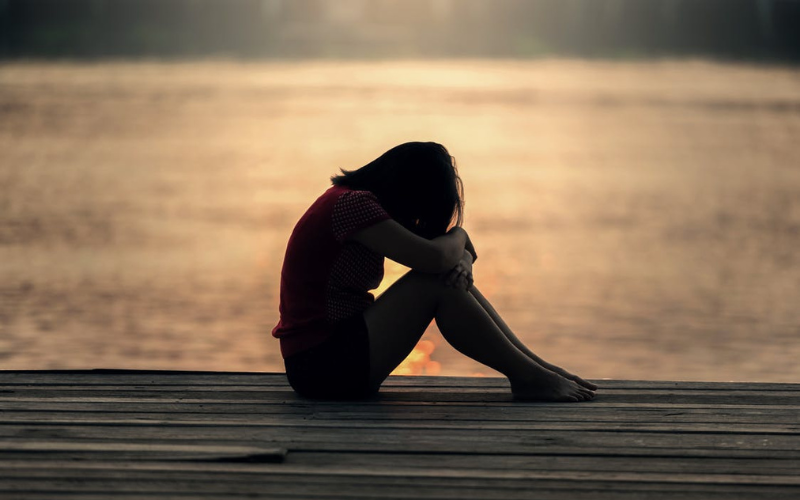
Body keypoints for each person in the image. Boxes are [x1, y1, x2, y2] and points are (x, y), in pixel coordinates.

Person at [272, 142, 597, 401]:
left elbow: (447, 257)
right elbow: (436, 258)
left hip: (329, 360)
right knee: (434, 282)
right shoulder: (353, 205)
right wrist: (460, 235)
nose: (417, 220)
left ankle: (536, 370)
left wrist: (464, 259)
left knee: (442, 278)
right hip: (321, 366)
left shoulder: (350, 203)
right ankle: (530, 377)